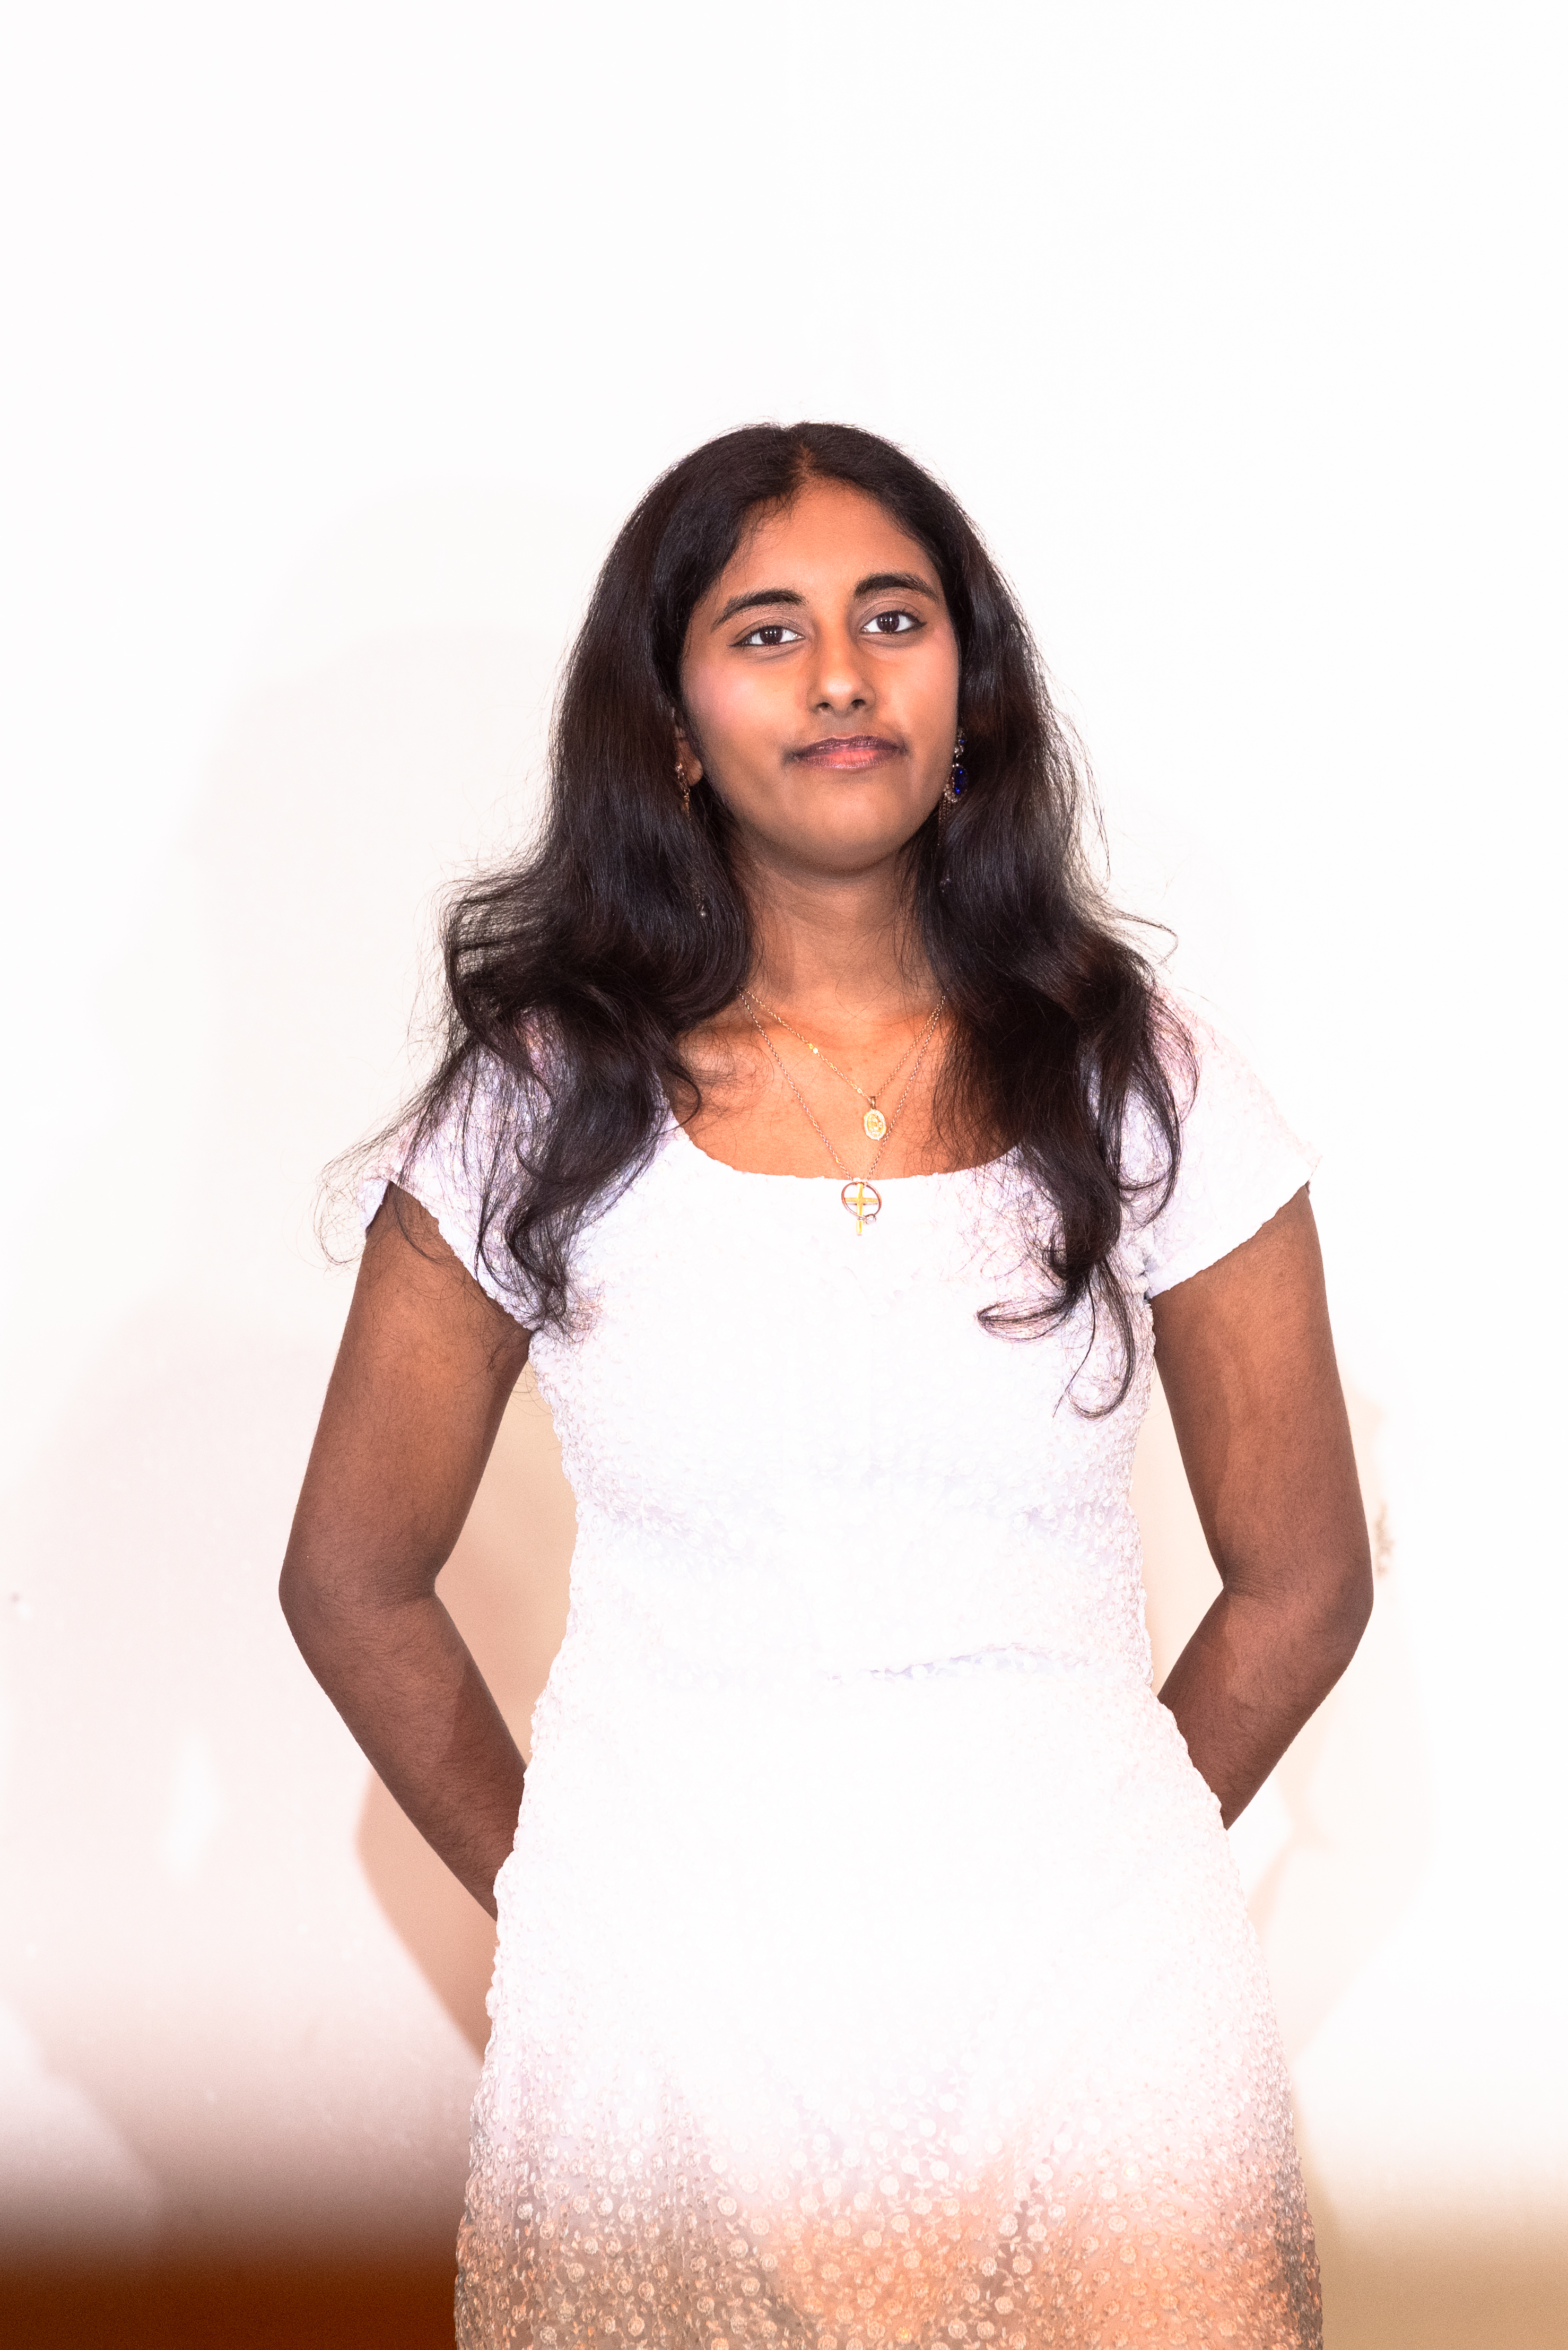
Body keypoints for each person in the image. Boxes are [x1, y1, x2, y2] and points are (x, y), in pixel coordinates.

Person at [281, 423, 1370, 2350]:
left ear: (971, 692)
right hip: (666, 2043)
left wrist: (1114, 1868)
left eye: (893, 619)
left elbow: (1303, 1578)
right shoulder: (538, 1100)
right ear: (671, 726)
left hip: (1104, 2034)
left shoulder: (1148, 1082)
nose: (843, 675)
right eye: (766, 632)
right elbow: (351, 1577)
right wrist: (572, 1900)